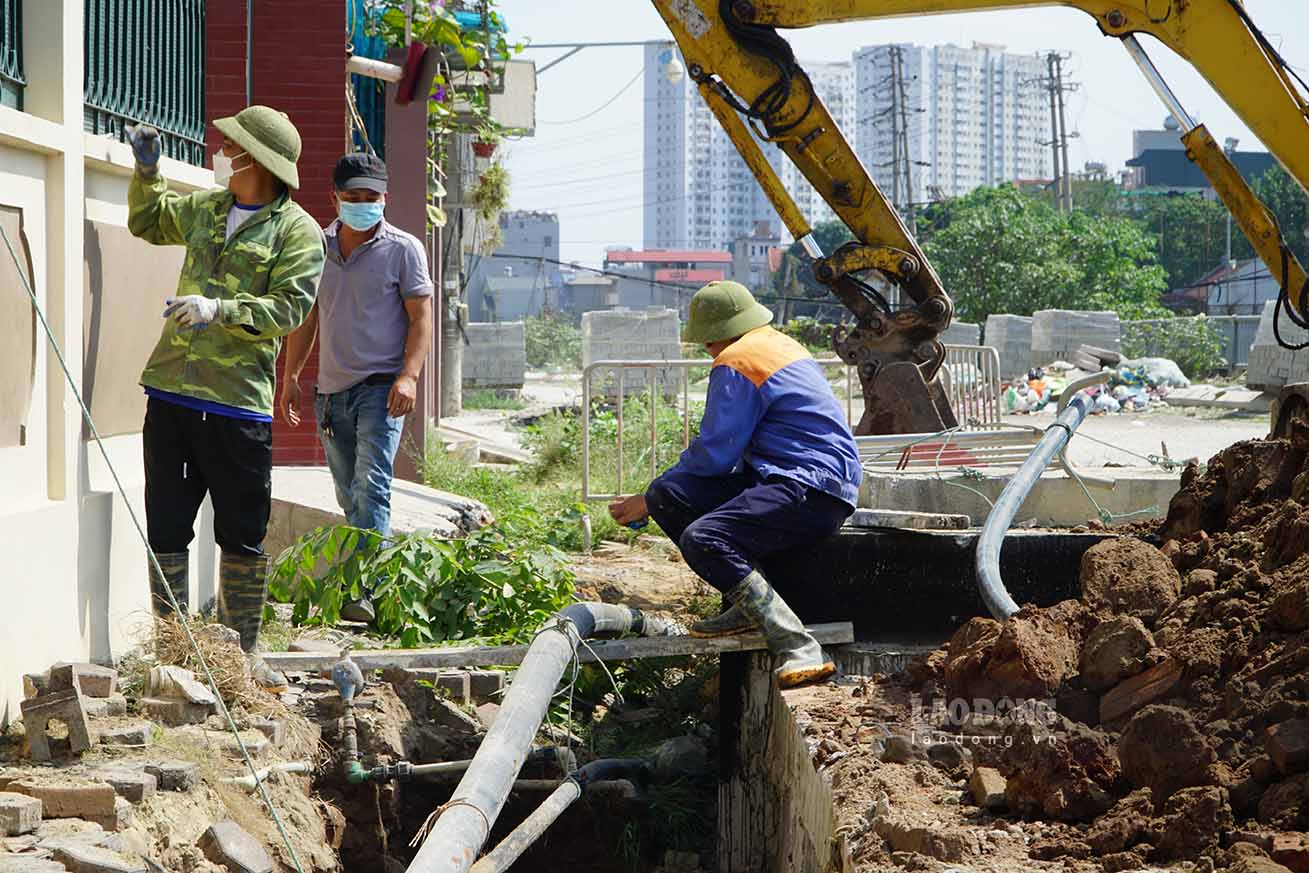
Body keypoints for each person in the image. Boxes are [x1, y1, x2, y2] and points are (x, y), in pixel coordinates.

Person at [126, 106, 326, 692]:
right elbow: (150, 221)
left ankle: (240, 653)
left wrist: (221, 310)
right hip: (171, 390)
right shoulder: (209, 209)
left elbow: (291, 308)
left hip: (237, 404)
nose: (221, 153)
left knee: (241, 530)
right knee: (166, 521)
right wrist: (147, 169)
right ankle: (172, 644)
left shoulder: (298, 232)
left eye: (230, 146)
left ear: (253, 161)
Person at [608, 281, 861, 688]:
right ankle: (750, 607)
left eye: (706, 341)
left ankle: (796, 643)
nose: (707, 350)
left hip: (806, 487)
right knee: (666, 495)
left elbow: (716, 453)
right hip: (820, 484)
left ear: (716, 334)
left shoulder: (738, 359)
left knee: (703, 539)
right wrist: (651, 498)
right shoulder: (780, 344)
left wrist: (642, 503)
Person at [278, 154, 434, 624]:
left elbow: (421, 318)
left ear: (384, 198)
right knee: (348, 492)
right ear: (335, 198)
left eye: (372, 199)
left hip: (382, 389)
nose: (363, 206)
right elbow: (306, 318)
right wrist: (291, 376)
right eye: (354, 199)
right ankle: (373, 580)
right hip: (331, 393)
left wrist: (409, 375)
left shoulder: (403, 249)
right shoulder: (315, 248)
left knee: (371, 485)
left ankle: (366, 590)